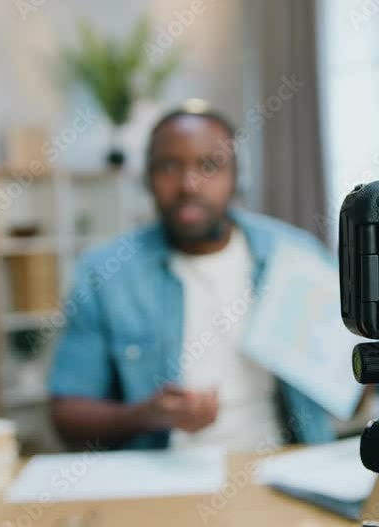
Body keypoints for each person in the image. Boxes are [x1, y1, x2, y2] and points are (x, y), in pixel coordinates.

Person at [47, 100, 334, 451]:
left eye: (210, 165)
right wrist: (146, 415)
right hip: (162, 479)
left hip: (282, 464)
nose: (189, 184)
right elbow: (67, 416)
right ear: (148, 179)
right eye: (169, 166)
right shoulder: (104, 273)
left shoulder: (295, 257)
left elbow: (352, 390)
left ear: (236, 178)